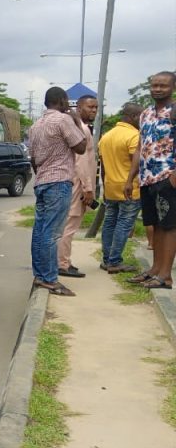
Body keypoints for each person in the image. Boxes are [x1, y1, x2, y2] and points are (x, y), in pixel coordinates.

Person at [27, 86, 89, 296]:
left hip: (42, 182)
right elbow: (81, 147)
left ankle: (40, 275)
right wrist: (77, 121)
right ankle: (50, 279)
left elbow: (33, 160)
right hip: (59, 181)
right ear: (62, 101)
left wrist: (43, 174)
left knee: (40, 231)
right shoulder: (63, 120)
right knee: (52, 234)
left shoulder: (35, 125)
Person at [130, 71, 176, 289]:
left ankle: (166, 275)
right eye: (155, 85)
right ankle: (155, 270)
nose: (158, 89)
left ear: (172, 88)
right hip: (147, 177)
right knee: (155, 224)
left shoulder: (174, 111)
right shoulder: (145, 113)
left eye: (163, 85)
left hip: (167, 176)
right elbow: (140, 147)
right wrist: (131, 178)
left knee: (169, 226)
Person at [98, 103, 145, 272]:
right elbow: (137, 162)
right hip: (129, 187)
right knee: (124, 224)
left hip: (110, 186)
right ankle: (115, 261)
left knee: (109, 222)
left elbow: (102, 166)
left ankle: (106, 259)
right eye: (141, 117)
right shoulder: (134, 136)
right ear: (133, 117)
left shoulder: (106, 136)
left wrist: (103, 187)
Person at [57, 95, 98, 277]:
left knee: (67, 225)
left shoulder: (79, 128)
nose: (94, 111)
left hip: (74, 183)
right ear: (79, 108)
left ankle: (64, 261)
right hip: (78, 186)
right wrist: (88, 189)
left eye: (96, 107)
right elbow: (81, 162)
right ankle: (62, 264)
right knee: (69, 226)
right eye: (90, 107)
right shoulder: (81, 129)